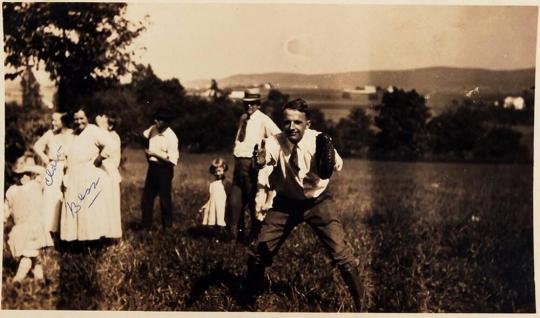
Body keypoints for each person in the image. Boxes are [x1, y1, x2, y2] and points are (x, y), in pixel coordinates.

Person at [244, 98, 364, 311]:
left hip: (318, 202)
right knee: (260, 253)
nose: (291, 127)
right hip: (285, 204)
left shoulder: (319, 140)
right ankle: (248, 301)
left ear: (307, 124)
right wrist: (259, 161)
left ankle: (362, 306)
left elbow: (335, 165)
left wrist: (326, 157)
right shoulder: (274, 142)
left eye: (297, 122)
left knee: (341, 254)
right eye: (287, 122)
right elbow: (263, 159)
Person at [229, 88, 281, 242]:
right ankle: (235, 237)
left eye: (252, 104)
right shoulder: (243, 118)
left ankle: (255, 237)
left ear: (259, 104)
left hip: (251, 166)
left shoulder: (263, 119)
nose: (249, 107)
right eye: (246, 104)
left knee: (254, 203)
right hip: (238, 165)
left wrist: (264, 153)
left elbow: (278, 136)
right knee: (234, 202)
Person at [60, 108, 120, 241]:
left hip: (89, 174)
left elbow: (112, 145)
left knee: (88, 208)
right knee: (76, 208)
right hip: (73, 175)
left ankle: (93, 242)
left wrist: (99, 158)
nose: (79, 121)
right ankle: (77, 241)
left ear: (87, 118)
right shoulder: (72, 134)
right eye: (76, 119)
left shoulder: (93, 130)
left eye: (82, 118)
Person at [4, 155, 53, 282]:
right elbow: (5, 212)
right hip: (26, 230)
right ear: (16, 175)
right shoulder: (14, 191)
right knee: (28, 256)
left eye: (28, 173)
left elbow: (44, 172)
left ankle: (39, 279)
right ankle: (18, 280)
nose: (24, 176)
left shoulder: (35, 185)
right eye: (21, 174)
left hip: (34, 228)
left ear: (31, 174)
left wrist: (29, 168)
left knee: (33, 256)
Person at [33, 112, 74, 235]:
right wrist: (46, 158)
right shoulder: (49, 134)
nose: (52, 123)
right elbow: (37, 146)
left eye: (55, 120)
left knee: (65, 198)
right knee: (51, 198)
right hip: (53, 168)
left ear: (63, 121)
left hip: (68, 168)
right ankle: (49, 232)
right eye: (52, 120)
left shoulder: (72, 134)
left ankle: (65, 232)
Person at [140, 109, 179, 230]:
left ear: (167, 122)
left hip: (164, 170)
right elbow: (143, 136)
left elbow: (172, 161)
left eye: (159, 119)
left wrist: (154, 154)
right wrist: (146, 152)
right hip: (152, 168)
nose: (155, 121)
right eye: (155, 118)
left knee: (164, 199)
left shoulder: (172, 138)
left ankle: (167, 228)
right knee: (147, 199)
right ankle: (146, 227)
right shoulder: (153, 129)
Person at [96, 113, 123, 239]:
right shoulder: (107, 136)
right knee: (103, 205)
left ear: (110, 126)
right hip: (104, 173)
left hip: (108, 174)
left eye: (103, 123)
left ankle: (109, 234)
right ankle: (102, 233)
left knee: (109, 205)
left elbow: (106, 153)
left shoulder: (112, 137)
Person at [199, 158, 231, 237]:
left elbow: (229, 195)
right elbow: (210, 197)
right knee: (214, 220)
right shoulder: (212, 184)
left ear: (223, 169)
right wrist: (205, 205)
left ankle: (224, 236)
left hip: (222, 206)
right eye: (215, 171)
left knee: (222, 220)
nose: (217, 173)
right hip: (214, 206)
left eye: (219, 171)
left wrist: (228, 205)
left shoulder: (226, 183)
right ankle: (214, 236)